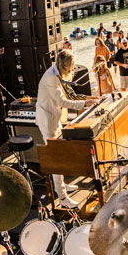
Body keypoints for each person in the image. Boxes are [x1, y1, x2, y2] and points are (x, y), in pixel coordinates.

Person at [37, 50, 92, 209]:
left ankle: (60, 186)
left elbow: (68, 95)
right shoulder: (50, 78)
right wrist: (84, 104)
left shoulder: (56, 73)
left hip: (54, 118)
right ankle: (62, 197)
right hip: (48, 121)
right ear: (65, 65)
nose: (73, 68)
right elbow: (62, 101)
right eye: (72, 65)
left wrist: (87, 99)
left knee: (60, 153)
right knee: (55, 158)